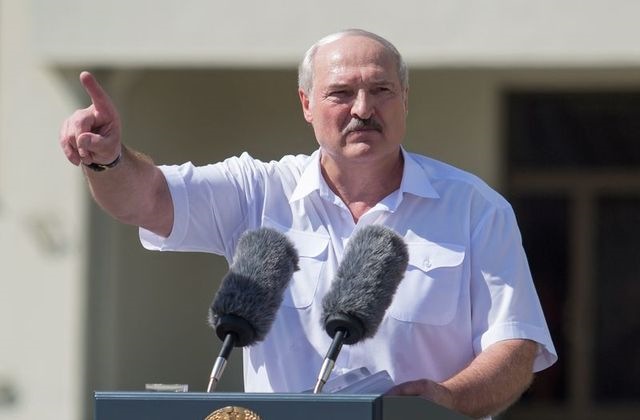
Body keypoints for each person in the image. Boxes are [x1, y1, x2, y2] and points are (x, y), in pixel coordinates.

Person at [59, 29, 556, 418]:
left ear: (405, 98)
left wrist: (447, 400)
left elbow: (514, 344)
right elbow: (144, 199)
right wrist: (107, 160)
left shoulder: (475, 207)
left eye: (381, 90)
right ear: (306, 104)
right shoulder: (258, 191)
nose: (363, 109)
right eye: (341, 93)